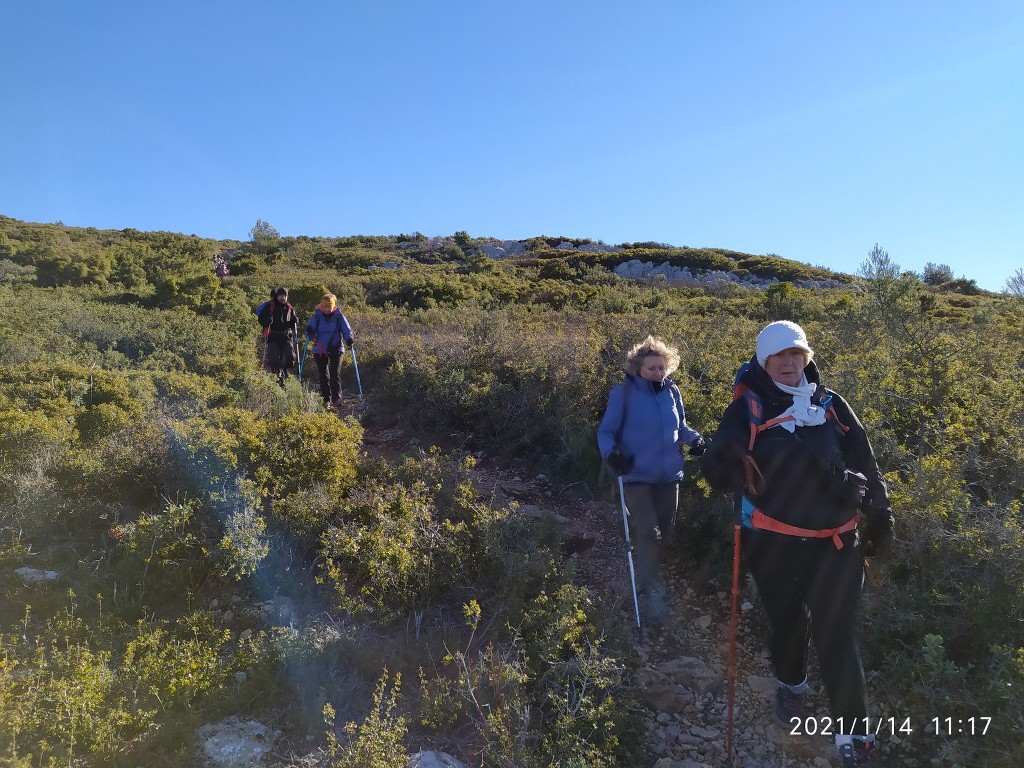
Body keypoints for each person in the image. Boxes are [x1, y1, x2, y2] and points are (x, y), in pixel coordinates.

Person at [702, 320, 895, 767]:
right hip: (770, 542)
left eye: (797, 355)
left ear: (806, 358)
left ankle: (855, 738)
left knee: (837, 636)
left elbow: (866, 460)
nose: (790, 364)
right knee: (787, 622)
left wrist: (881, 514)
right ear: (763, 361)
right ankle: (792, 687)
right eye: (779, 356)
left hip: (835, 543)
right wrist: (723, 462)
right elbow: (717, 466)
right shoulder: (747, 408)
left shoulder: (831, 406)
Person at [597, 335, 706, 627]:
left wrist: (695, 440)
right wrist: (612, 455)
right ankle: (650, 587)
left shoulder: (672, 392)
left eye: (662, 368)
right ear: (638, 369)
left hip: (669, 476)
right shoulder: (623, 395)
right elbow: (605, 432)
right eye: (652, 369)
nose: (658, 374)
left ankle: (655, 574)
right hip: (635, 476)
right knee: (648, 530)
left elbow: (680, 427)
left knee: (666, 532)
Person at [304, 292, 354, 410]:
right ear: (322, 305)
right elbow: (309, 333)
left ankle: (337, 399)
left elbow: (346, 330)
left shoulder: (339, 316)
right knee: (323, 374)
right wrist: (309, 331)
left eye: (329, 307)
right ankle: (326, 399)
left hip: (336, 348)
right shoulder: (317, 316)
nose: (327, 309)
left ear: (333, 305)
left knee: (335, 373)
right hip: (320, 349)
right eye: (325, 306)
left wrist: (349, 339)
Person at [256, 287, 298, 388]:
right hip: (273, 335)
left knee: (291, 358)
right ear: (277, 296)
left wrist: (295, 321)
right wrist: (267, 322)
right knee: (274, 359)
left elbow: (292, 323)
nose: (283, 297)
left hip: (285, 335)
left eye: (285, 295)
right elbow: (261, 319)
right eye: (281, 295)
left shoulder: (289, 308)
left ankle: (283, 369)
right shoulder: (270, 306)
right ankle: (278, 378)